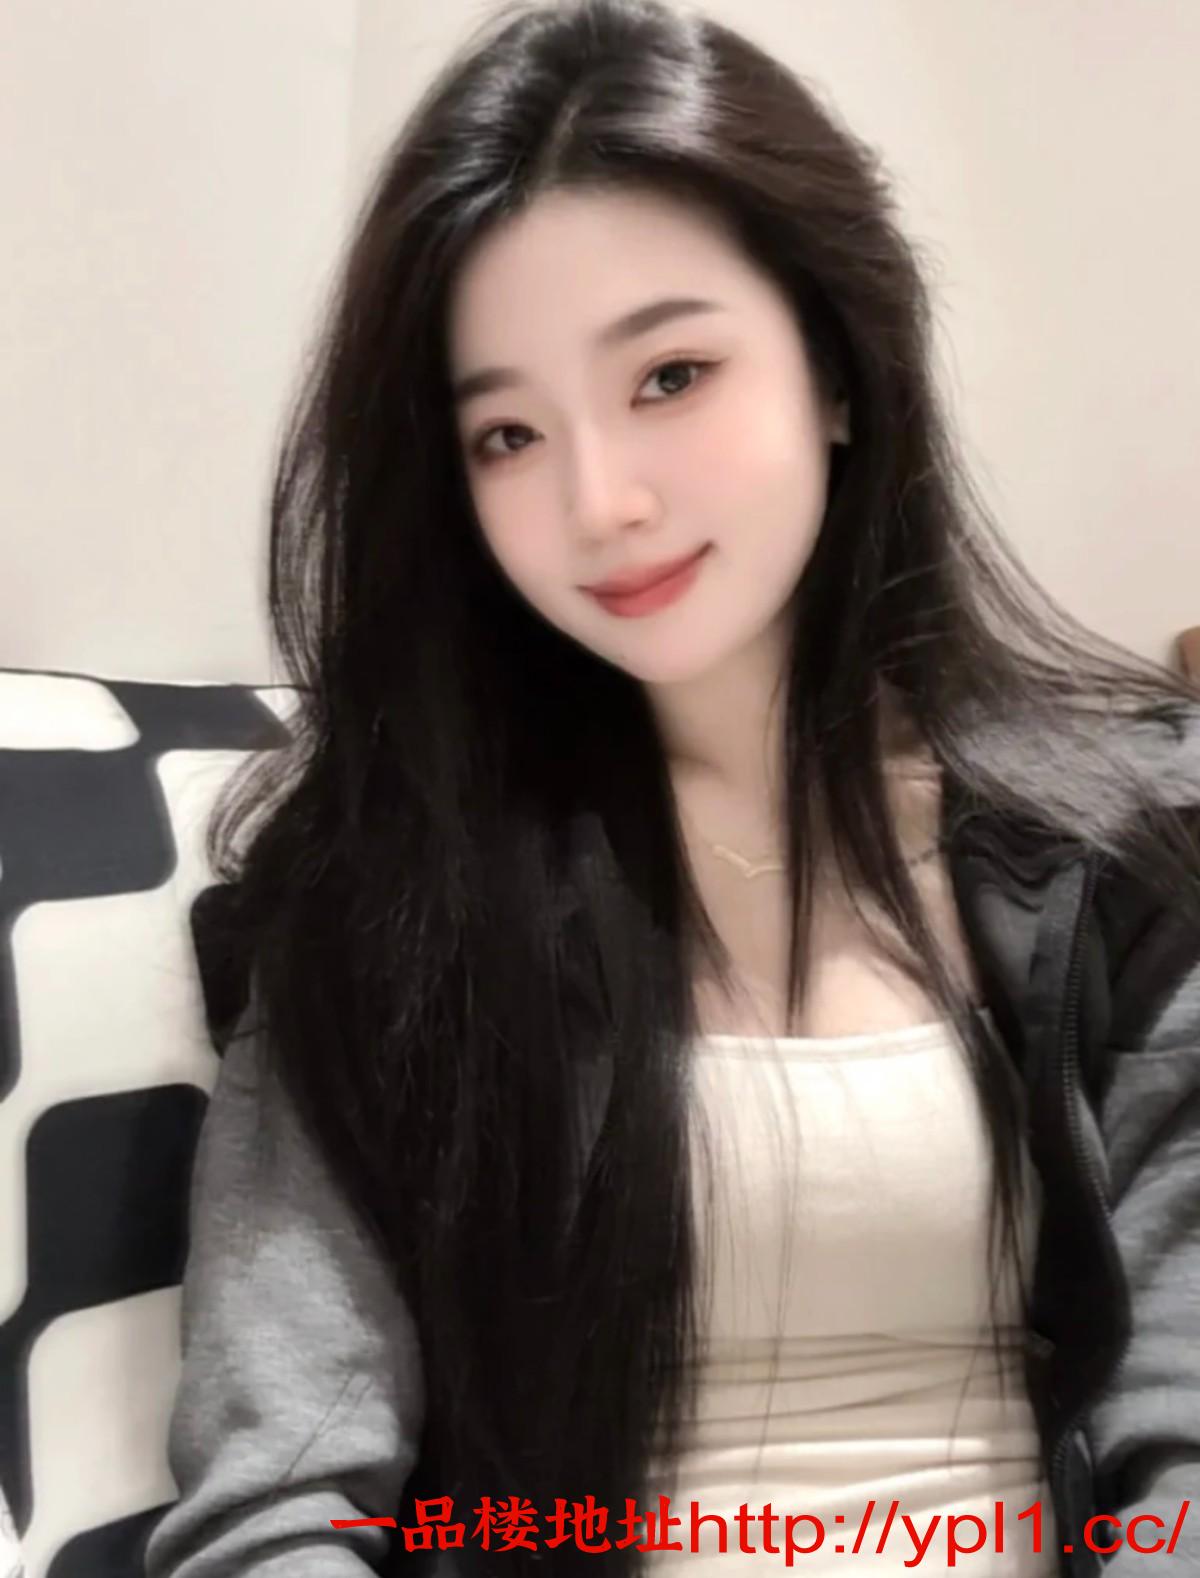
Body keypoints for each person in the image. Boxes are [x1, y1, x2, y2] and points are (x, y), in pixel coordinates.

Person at [143, 1, 1200, 1574]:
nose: (600, 501)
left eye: (670, 374)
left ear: (835, 366)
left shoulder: (1121, 859)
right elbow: (280, 1497)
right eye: (508, 432)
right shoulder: (384, 906)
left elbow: (1182, 1438)